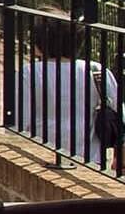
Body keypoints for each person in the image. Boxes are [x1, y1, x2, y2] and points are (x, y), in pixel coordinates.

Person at [15, 16, 120, 164]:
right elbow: (118, 110)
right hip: (89, 158)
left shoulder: (29, 72)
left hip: (42, 154)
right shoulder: (95, 69)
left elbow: (19, 121)